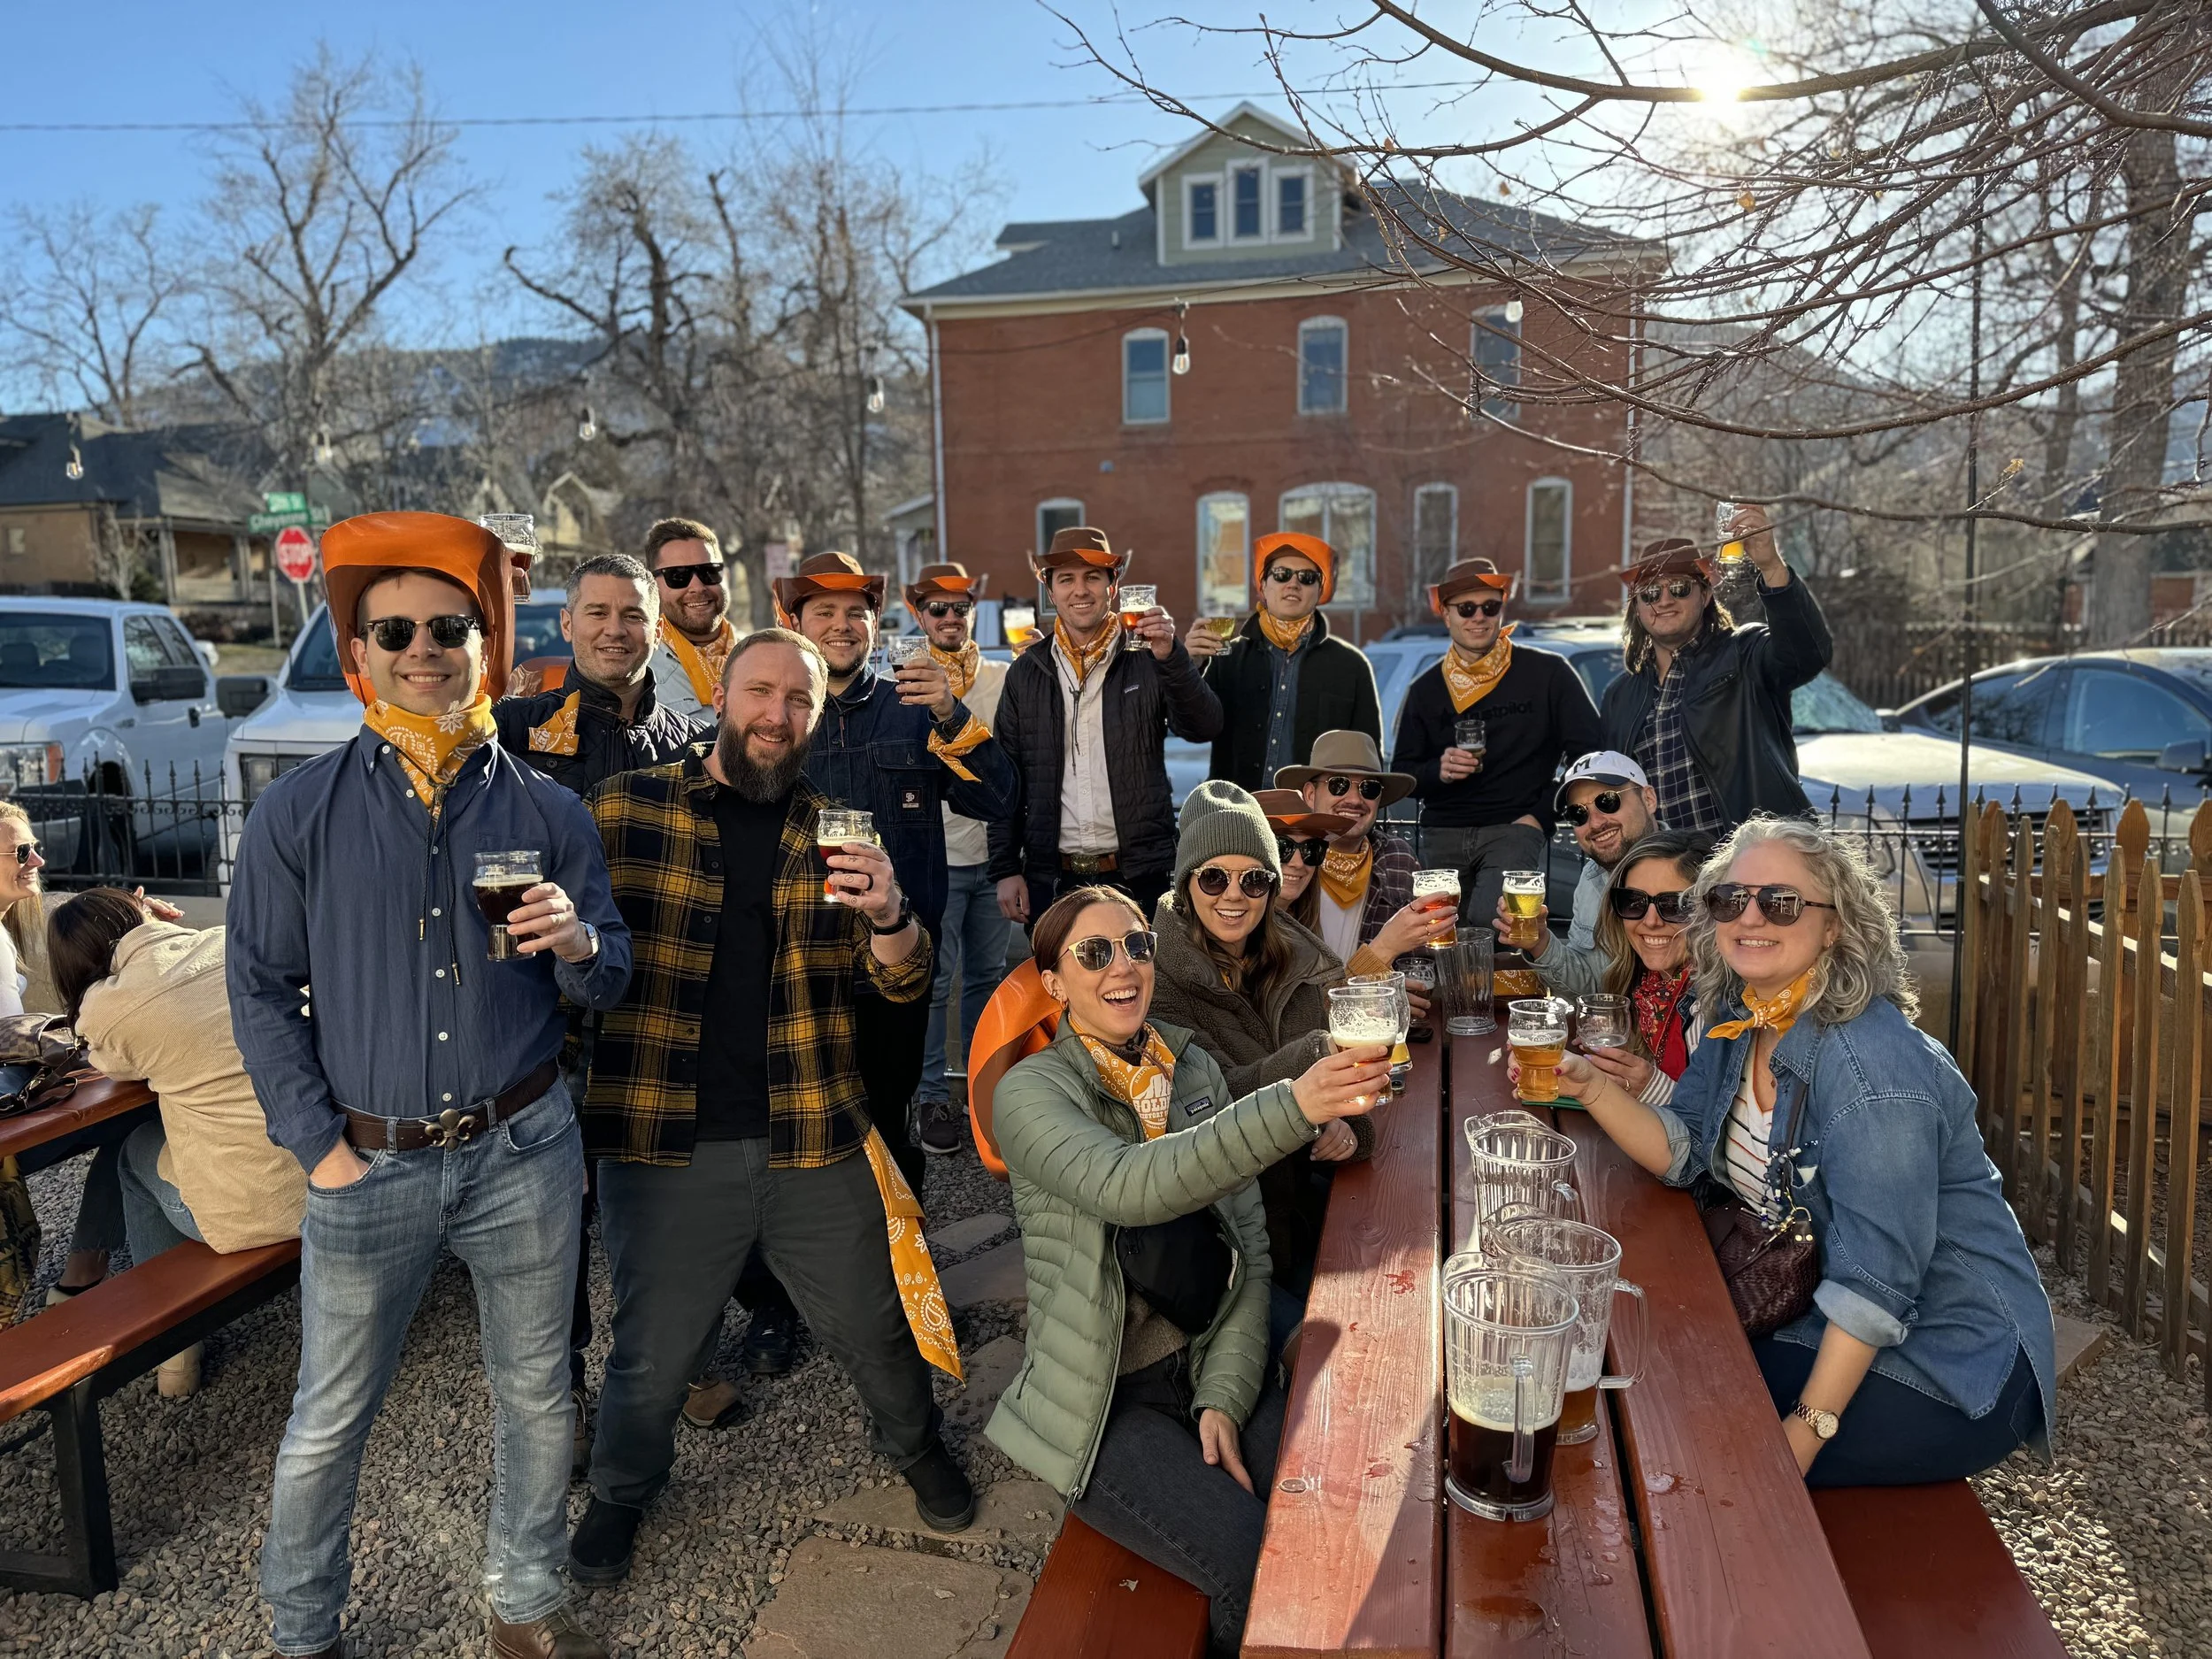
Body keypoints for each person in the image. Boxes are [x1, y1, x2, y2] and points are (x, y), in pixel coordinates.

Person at [229, 511, 633, 1659]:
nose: (424, 646)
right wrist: (318, 1144)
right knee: (328, 1415)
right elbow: (256, 985)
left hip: (525, 1148)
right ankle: (304, 1629)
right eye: (394, 626)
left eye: (448, 624)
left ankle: (524, 1598)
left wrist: (578, 943)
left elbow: (615, 972)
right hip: (369, 1162)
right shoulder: (297, 811)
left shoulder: (548, 811)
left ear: (484, 643)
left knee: (537, 1393)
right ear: (357, 650)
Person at [569, 626, 975, 1586]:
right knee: (652, 1356)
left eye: (798, 702)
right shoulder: (621, 811)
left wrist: (890, 918)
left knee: (873, 1325)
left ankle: (916, 1447)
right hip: (664, 1141)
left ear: (815, 717)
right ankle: (621, 1493)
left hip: (811, 1131)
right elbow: (567, 971)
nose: (776, 715)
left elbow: (902, 987)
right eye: (760, 693)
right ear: (723, 699)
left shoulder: (838, 827)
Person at [1556, 815, 2055, 1487]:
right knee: (1645, 1365)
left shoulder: (1872, 1066)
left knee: (1679, 1425)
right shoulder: (1743, 1015)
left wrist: (1803, 1433)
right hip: (1822, 1307)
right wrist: (1589, 1086)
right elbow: (1684, 1150)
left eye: (1781, 901)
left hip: (1951, 1357)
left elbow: (1875, 1285)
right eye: (1732, 898)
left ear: (1835, 924)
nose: (1751, 915)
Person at [987, 884, 1393, 1657]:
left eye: (1138, 944)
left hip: (1207, 1346)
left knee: (1318, 1506)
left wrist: (1225, 1392)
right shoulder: (1032, 1092)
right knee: (1249, 1561)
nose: (1125, 965)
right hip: (1107, 1398)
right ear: (1053, 982)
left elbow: (1249, 1252)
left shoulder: (1188, 1063)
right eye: (1095, 952)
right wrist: (1294, 1104)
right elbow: (1132, 1185)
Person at [495, 552, 705, 1462]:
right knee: (557, 1216)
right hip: (552, 1009)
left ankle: (671, 1359)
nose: (616, 628)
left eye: (632, 614)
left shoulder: (687, 740)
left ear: (656, 627)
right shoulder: (519, 727)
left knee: (660, 1195)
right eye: (598, 613)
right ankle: (566, 1389)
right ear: (568, 625)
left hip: (659, 1000)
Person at [776, 550, 1018, 1190]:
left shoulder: (912, 707)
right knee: (806, 1133)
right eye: (823, 610)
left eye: (856, 612)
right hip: (803, 967)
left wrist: (951, 714)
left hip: (899, 964)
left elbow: (998, 799)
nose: (842, 624)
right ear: (793, 618)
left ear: (876, 623)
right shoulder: (775, 718)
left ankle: (902, 1274)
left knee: (889, 1124)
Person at [49, 887, 306, 1399]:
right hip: (329, 1172)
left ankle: (173, 1350)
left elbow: (113, 1065)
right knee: (147, 1135)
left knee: (129, 1154)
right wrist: (156, 926)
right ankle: (85, 1274)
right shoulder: (229, 943)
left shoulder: (111, 1006)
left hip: (256, 1211)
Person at [1146, 783, 1371, 1320]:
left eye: (1253, 879)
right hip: (1222, 1242)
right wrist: (1315, 1063)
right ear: (1186, 884)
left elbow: (1358, 1097)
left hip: (1296, 1214)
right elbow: (1208, 1101)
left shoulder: (1298, 960)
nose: (1233, 895)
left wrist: (1345, 1129)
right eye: (1213, 877)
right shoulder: (1156, 977)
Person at [990, 526, 1224, 926]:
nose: (1080, 590)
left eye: (1092, 577)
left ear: (1112, 588)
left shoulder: (1149, 658)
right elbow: (1004, 779)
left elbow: (1204, 726)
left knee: (1146, 984)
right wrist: (1006, 869)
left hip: (1141, 873)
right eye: (1066, 579)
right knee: (1059, 986)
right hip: (1053, 877)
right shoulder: (1026, 672)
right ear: (1051, 592)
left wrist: (1172, 657)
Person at [1392, 558, 1602, 926]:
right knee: (1441, 936)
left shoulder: (1548, 673)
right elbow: (1403, 773)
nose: (1478, 617)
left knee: (1491, 928)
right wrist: (1437, 770)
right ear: (1446, 616)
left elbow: (1589, 755)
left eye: (1490, 607)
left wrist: (1538, 816)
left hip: (1514, 829)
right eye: (1466, 608)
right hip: (1442, 830)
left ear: (1501, 611)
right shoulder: (1425, 689)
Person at [1601, 508, 1832, 833]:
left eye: (1680, 588)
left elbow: (1806, 653)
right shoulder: (1619, 697)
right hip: (1666, 870)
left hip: (1749, 863)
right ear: (1637, 609)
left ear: (1706, 594)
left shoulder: (1744, 654)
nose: (1664, 600)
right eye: (1651, 592)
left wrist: (1770, 566)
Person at [905, 562, 1018, 1158]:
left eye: (960, 607)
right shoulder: (903, 680)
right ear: (918, 614)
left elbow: (1011, 769)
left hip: (990, 855)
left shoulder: (1002, 677)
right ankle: (929, 1098)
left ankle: (980, 1091)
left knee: (984, 980)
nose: (950, 617)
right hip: (934, 857)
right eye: (938, 608)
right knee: (934, 981)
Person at [1184, 531, 1380, 791]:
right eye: (1281, 575)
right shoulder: (1227, 658)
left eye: (1307, 578)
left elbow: (1370, 762)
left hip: (1317, 822)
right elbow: (1191, 730)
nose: (1293, 584)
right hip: (1237, 817)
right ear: (1263, 585)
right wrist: (1189, 667)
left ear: (1319, 590)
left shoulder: (1351, 665)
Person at [1275, 730, 1453, 978]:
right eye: (1339, 784)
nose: (1354, 800)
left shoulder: (1398, 858)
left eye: (1368, 789)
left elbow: (1423, 960)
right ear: (1310, 795)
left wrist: (1402, 987)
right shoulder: (1284, 862)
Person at [1577, 829, 1714, 1105]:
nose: (1651, 921)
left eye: (1675, 905)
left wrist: (1650, 1085)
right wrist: (1626, 1058)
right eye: (1634, 902)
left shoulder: (1717, 1003)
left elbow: (1723, 1128)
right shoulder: (1643, 982)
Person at [1513, 750, 1664, 999]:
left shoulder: (1694, 874)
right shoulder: (1591, 876)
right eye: (1578, 814)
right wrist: (1540, 943)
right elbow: (1591, 990)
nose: (1595, 823)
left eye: (1607, 801)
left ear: (1648, 799)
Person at [642, 517, 738, 726]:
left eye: (709, 571)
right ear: (652, 586)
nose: (697, 587)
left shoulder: (760, 656)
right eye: (678, 575)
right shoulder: (639, 675)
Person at [1253, 787, 1349, 932]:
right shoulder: (1235, 932)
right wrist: (1384, 948)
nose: (1298, 863)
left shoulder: (1305, 931)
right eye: (1281, 847)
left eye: (1312, 848)